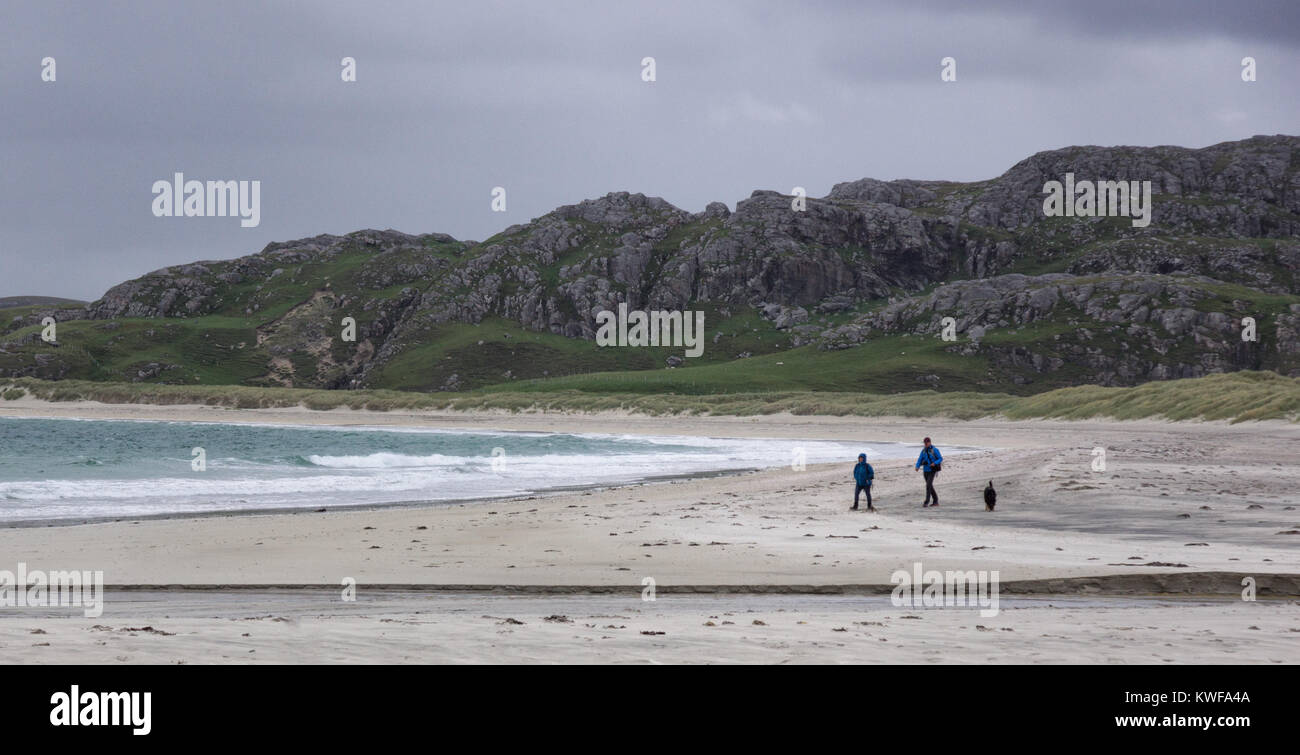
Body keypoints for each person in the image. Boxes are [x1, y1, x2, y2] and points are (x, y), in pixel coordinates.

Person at [914, 437, 943, 507]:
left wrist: (935, 463)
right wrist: (917, 466)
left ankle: (926, 502)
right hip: (925, 470)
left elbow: (940, 458)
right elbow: (920, 459)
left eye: (926, 443)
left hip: (932, 470)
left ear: (930, 442)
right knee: (929, 486)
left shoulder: (935, 450)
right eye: (924, 443)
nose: (925, 444)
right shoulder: (923, 451)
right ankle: (936, 501)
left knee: (928, 485)